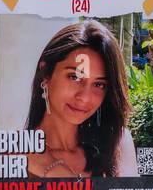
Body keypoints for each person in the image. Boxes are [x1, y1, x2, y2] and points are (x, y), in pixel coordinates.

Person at [22, 20, 139, 180]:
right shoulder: (15, 154)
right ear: (46, 74)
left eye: (99, 84)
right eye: (74, 77)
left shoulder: (119, 145)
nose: (84, 97)